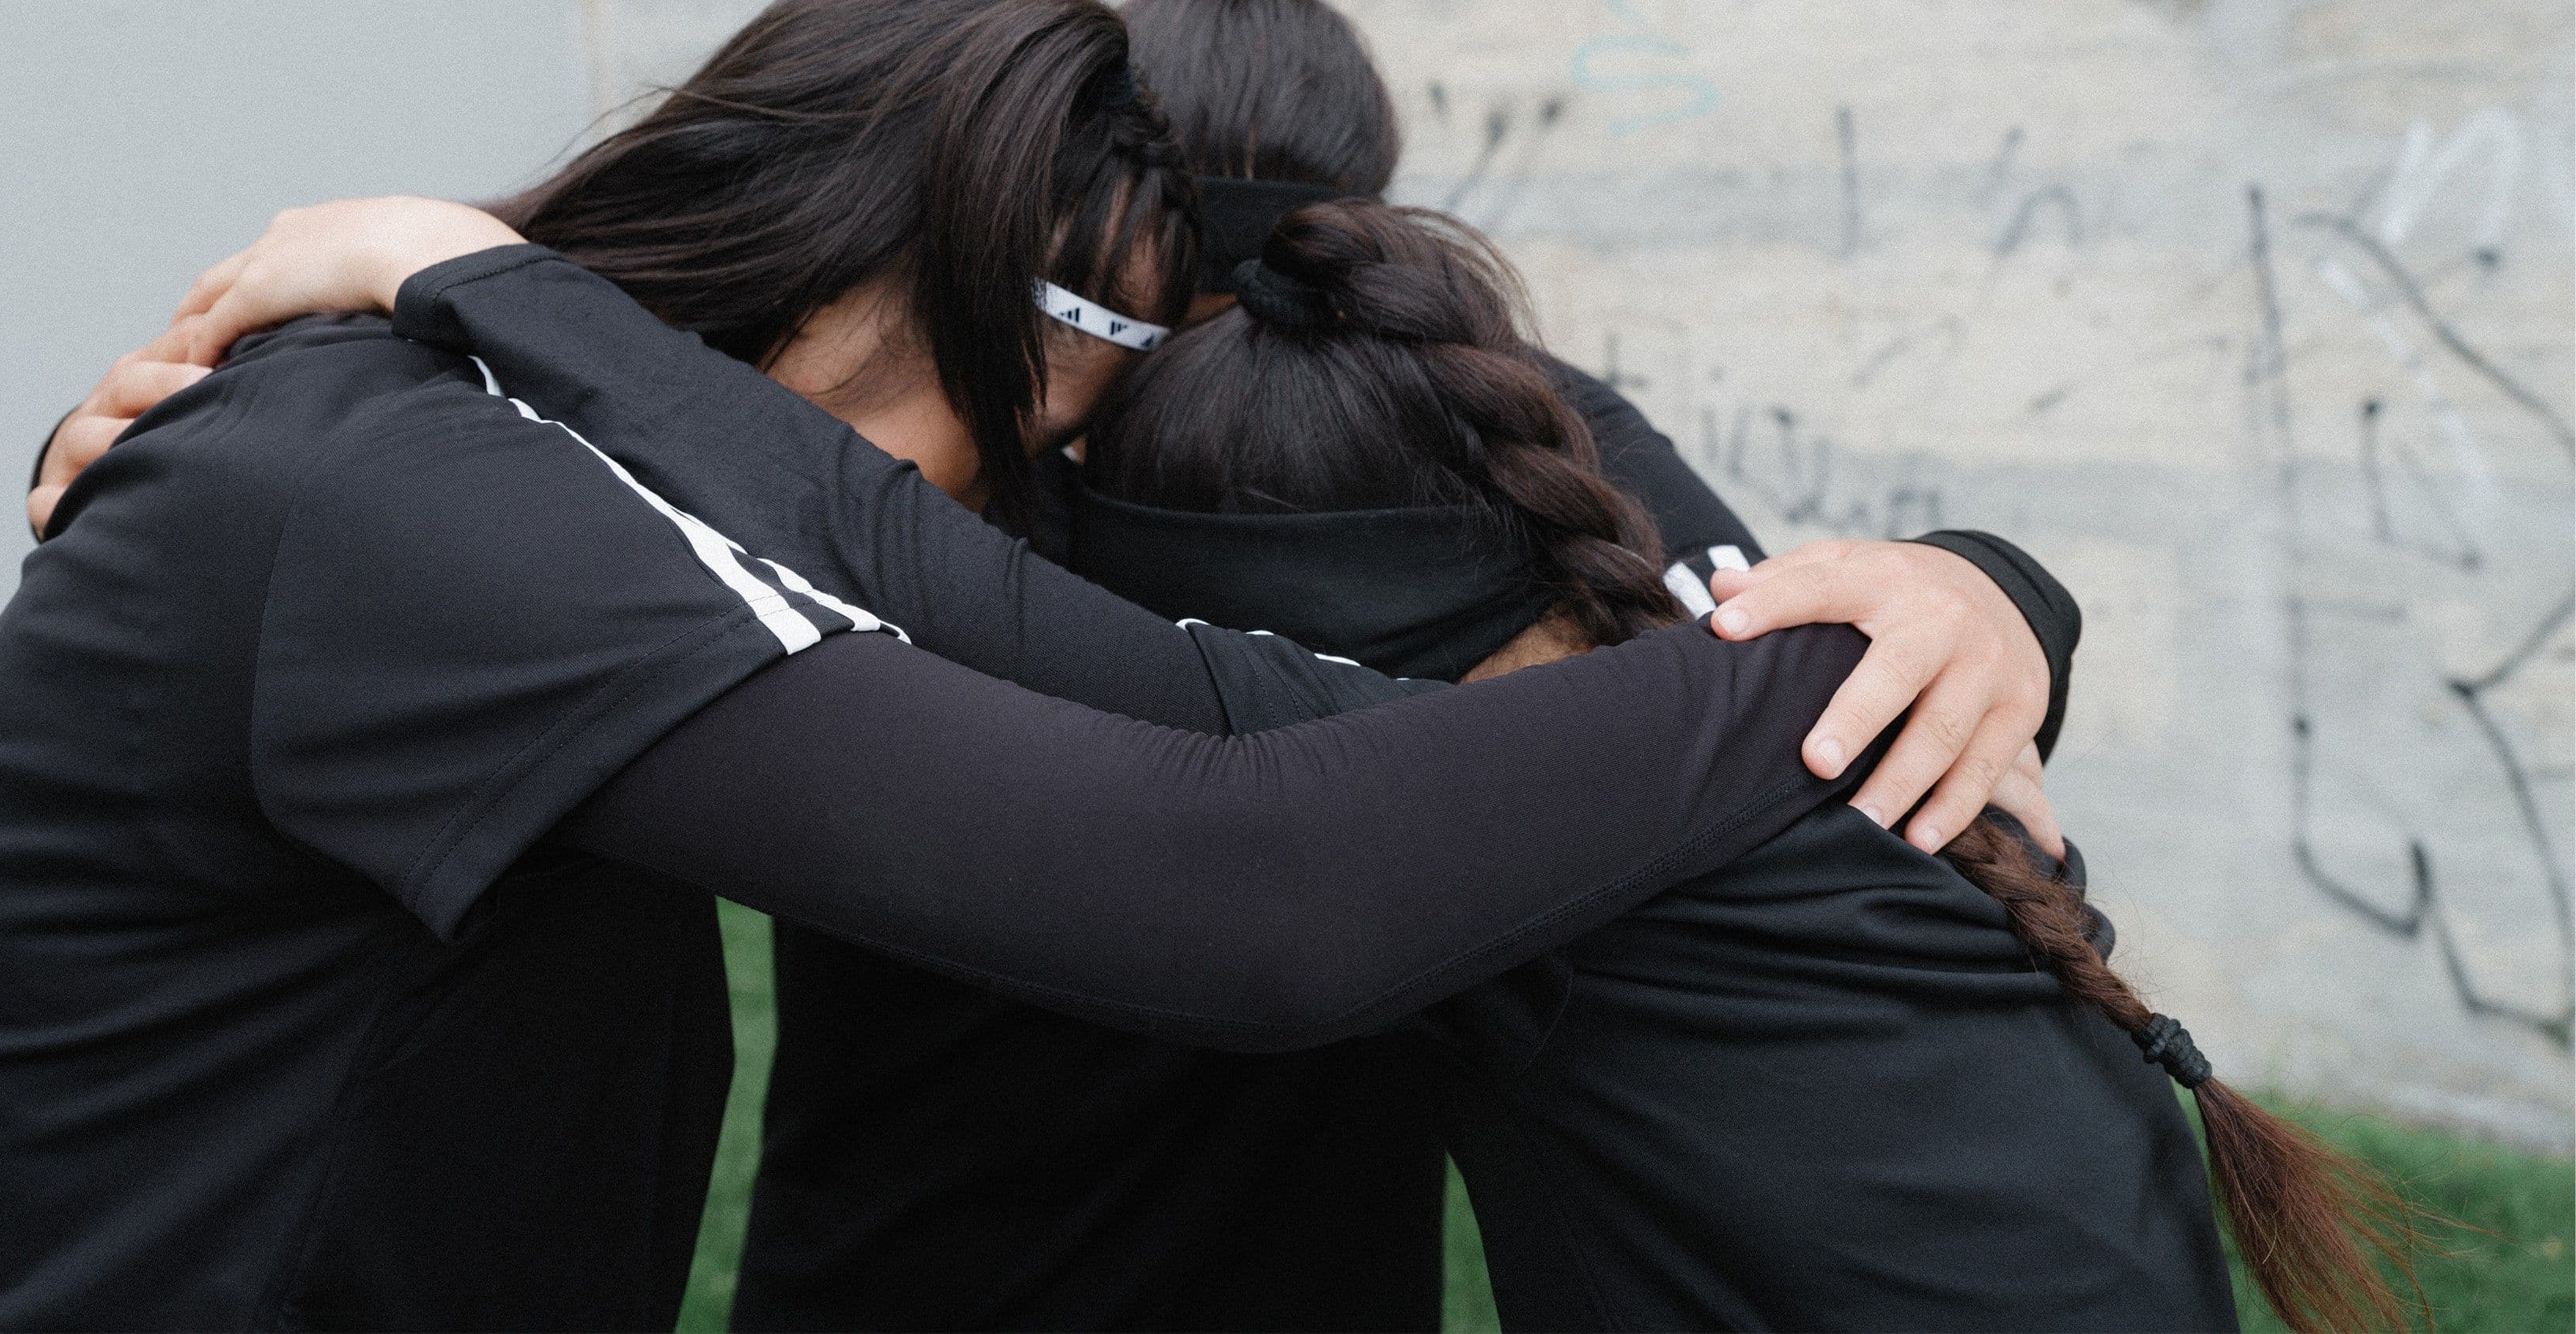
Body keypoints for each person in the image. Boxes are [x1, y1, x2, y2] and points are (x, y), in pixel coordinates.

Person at [0, 0, 2056, 1334]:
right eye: (1012, 379)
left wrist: (1968, 590)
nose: (990, 486)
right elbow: (1243, 880)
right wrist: (1774, 696)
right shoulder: (411, 494)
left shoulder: (501, 434)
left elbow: (1577, 506)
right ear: (829, 225)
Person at [304, 199, 2416, 1334]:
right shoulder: (1747, 654)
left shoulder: (1453, 774)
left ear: (1285, 606)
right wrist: (1996, 579)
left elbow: (902, 567)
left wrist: (474, 277)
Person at [729, 0, 2061, 1333]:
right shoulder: (956, 509)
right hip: (936, 1256)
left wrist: (1977, 587)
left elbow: (1818, 699)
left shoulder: (1429, 434)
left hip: (1225, 1257)